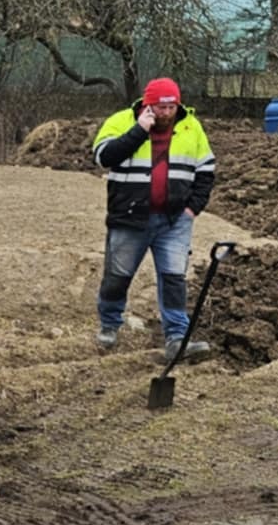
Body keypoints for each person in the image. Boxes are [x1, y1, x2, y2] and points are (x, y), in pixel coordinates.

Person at [92, 77, 217, 362]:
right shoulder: (121, 121)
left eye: (171, 107)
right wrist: (139, 130)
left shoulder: (191, 126)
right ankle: (109, 325)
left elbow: (206, 170)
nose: (166, 113)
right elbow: (105, 157)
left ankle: (177, 338)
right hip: (129, 218)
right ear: (148, 105)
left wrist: (192, 209)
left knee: (174, 278)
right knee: (117, 276)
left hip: (174, 221)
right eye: (159, 108)